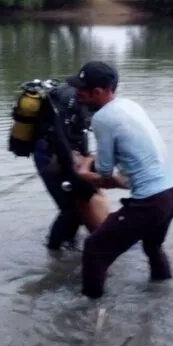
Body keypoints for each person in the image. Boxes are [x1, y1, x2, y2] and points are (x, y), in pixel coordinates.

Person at [68, 61, 173, 298]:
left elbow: (105, 173)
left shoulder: (102, 118)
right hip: (171, 193)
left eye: (82, 89)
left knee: (94, 248)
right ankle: (162, 293)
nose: (77, 93)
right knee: (152, 246)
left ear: (98, 92)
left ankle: (89, 310)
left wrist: (84, 166)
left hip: (150, 202)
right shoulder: (129, 105)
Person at [31, 82, 110, 249]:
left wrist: (86, 163)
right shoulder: (69, 105)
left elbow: (81, 135)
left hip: (67, 152)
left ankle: (70, 245)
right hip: (49, 154)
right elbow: (61, 142)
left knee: (80, 203)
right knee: (70, 209)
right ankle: (54, 253)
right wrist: (79, 174)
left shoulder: (87, 105)